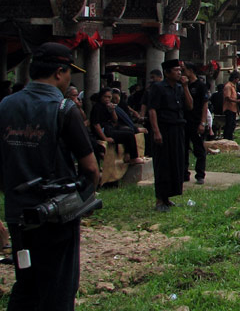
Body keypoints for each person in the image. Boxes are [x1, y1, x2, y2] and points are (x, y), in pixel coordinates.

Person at [0, 42, 100, 310]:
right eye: (69, 73)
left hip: (18, 215)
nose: (69, 79)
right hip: (56, 215)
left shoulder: (5, 106)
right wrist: (86, 198)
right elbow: (90, 167)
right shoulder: (64, 109)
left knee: (26, 284)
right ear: (59, 72)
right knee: (59, 287)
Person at [145, 60, 193, 212]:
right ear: (167, 73)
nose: (179, 73)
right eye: (176, 70)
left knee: (176, 163)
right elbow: (152, 110)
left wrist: (186, 87)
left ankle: (168, 197)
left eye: (180, 70)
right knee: (163, 163)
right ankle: (160, 199)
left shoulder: (179, 87)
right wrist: (156, 131)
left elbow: (190, 106)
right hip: (164, 128)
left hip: (178, 128)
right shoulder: (158, 88)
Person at [90, 87, 143, 165]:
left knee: (129, 131)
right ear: (101, 96)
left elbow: (115, 120)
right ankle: (133, 157)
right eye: (105, 97)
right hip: (104, 131)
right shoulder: (97, 107)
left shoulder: (107, 106)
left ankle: (128, 154)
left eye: (109, 97)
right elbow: (96, 125)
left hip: (110, 127)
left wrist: (112, 110)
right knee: (128, 135)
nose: (107, 99)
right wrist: (105, 138)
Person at [182, 63, 208, 185]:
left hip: (196, 121)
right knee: (183, 148)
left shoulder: (201, 86)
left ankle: (200, 174)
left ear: (191, 71)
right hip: (184, 121)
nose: (182, 72)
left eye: (184, 69)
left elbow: (204, 105)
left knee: (199, 149)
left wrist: (203, 122)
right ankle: (184, 173)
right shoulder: (181, 85)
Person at [222, 72, 240, 140]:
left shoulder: (233, 86)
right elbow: (227, 97)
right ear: (234, 78)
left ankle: (230, 136)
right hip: (228, 108)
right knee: (229, 124)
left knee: (232, 124)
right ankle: (227, 137)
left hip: (233, 107)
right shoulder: (228, 86)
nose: (238, 80)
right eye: (237, 78)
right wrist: (237, 101)